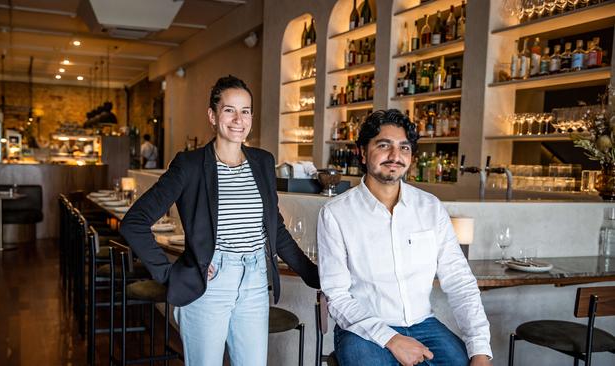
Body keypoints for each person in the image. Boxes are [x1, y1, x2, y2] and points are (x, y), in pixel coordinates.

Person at [120, 75, 319, 366]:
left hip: (255, 282)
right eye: (229, 110)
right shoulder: (189, 165)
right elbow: (135, 222)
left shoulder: (262, 162)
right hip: (210, 285)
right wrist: (168, 274)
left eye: (246, 110)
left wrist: (315, 275)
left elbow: (274, 228)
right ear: (213, 115)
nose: (239, 119)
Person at [317, 109, 492, 366]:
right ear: (362, 153)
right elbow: (337, 296)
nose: (395, 156)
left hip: (425, 326)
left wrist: (480, 350)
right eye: (384, 145)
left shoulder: (430, 208)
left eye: (404, 148)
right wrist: (391, 338)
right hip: (363, 329)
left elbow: (460, 282)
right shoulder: (335, 214)